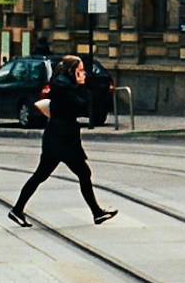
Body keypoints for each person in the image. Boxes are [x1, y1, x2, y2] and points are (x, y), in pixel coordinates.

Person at [8, 55, 115, 228]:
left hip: (59, 136)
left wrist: (80, 86)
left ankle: (17, 209)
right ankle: (96, 213)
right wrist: (81, 86)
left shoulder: (62, 84)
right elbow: (82, 106)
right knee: (79, 173)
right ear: (72, 71)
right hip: (62, 138)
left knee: (44, 175)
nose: (84, 74)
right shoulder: (64, 87)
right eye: (80, 71)